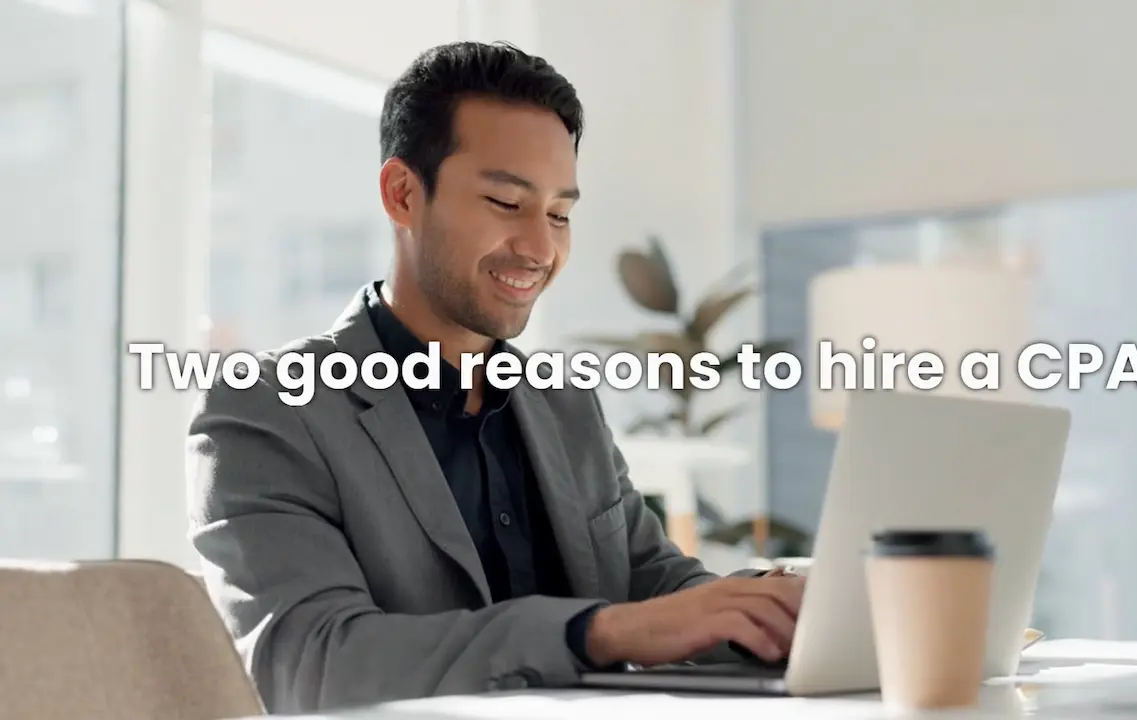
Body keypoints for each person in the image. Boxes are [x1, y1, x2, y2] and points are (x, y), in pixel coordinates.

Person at [186, 41, 805, 715]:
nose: (541, 248)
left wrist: (778, 605)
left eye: (560, 214)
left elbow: (654, 587)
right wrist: (593, 633)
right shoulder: (267, 409)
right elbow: (310, 663)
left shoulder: (564, 407)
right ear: (402, 193)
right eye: (506, 202)